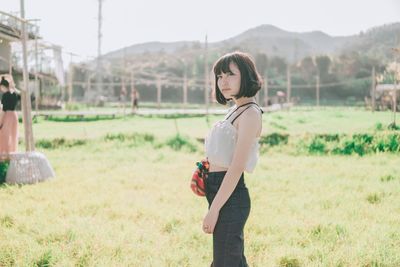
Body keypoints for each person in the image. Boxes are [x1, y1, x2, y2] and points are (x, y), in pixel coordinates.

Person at [203, 51, 264, 266]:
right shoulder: (235, 110)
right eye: (220, 76)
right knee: (231, 259)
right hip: (218, 189)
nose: (223, 81)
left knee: (225, 261)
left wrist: (214, 210)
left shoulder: (250, 114)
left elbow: (236, 167)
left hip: (231, 195)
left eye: (230, 75)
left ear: (246, 76)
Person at [0, 76, 21, 154]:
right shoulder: (14, 94)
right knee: (13, 135)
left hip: (7, 116)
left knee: (4, 135)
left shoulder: (5, 95)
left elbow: (4, 110)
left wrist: (0, 122)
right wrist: (14, 87)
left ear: (2, 86)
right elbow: (21, 94)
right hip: (14, 115)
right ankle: (12, 151)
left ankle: (4, 152)